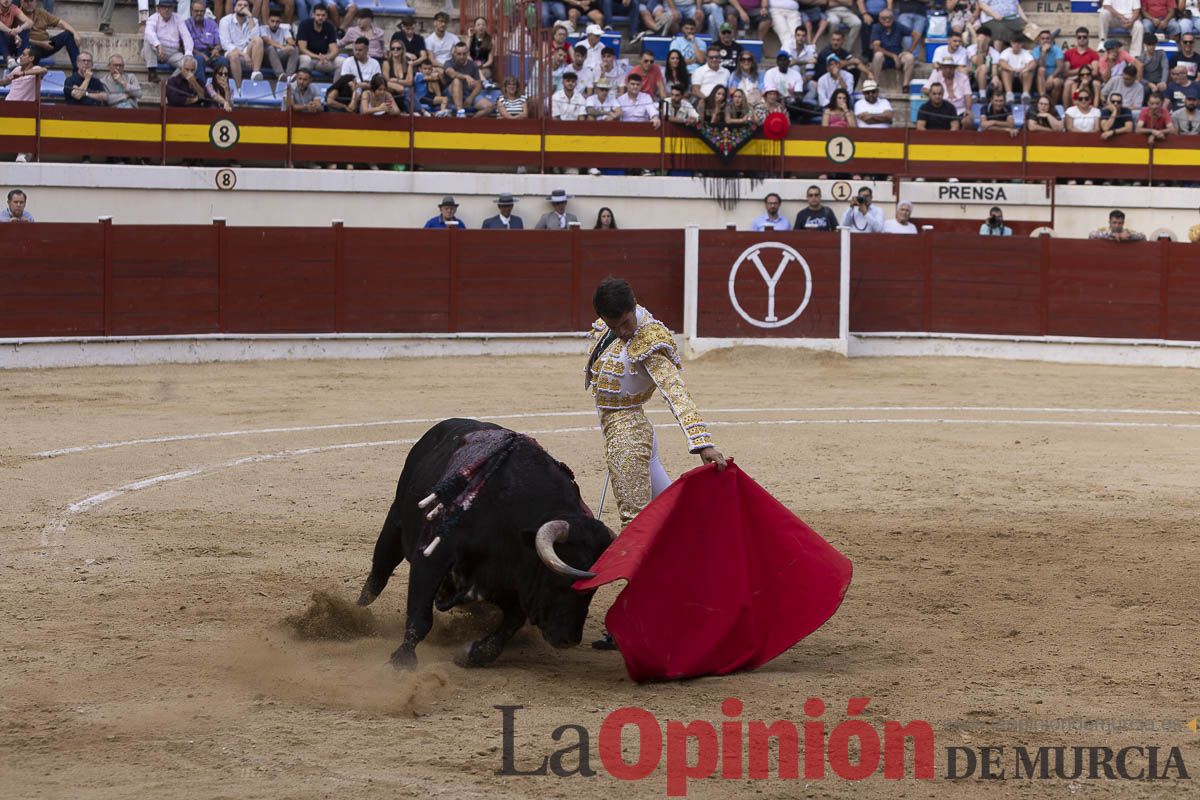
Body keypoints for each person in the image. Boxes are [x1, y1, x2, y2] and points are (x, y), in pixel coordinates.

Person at [584, 275, 726, 538]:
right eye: (614, 327)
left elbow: (675, 392)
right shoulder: (610, 328)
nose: (623, 332)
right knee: (671, 512)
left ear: (634, 305)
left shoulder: (649, 341)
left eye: (626, 323)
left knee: (636, 523)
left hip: (628, 434)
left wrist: (702, 443)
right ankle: (704, 543)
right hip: (620, 429)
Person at [143, 0, 193, 82]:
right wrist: (158, 45)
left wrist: (188, 54)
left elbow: (186, 36)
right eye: (164, 7)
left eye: (169, 7)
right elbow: (149, 32)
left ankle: (170, 82)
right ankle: (152, 73)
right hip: (156, 51)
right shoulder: (153, 18)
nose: (166, 9)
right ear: (158, 9)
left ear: (173, 8)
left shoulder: (178, 18)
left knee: (189, 64)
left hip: (173, 53)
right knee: (147, 39)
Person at [22, 0, 79, 70]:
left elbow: (60, 22)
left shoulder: (41, 13)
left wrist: (75, 33)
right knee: (33, 51)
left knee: (68, 35)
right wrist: (41, 43)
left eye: (32, 1)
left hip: (46, 45)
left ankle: (78, 72)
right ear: (21, 2)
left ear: (36, 2)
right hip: (29, 47)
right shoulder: (17, 13)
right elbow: (20, 38)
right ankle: (29, 75)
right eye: (26, 1)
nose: (29, 3)